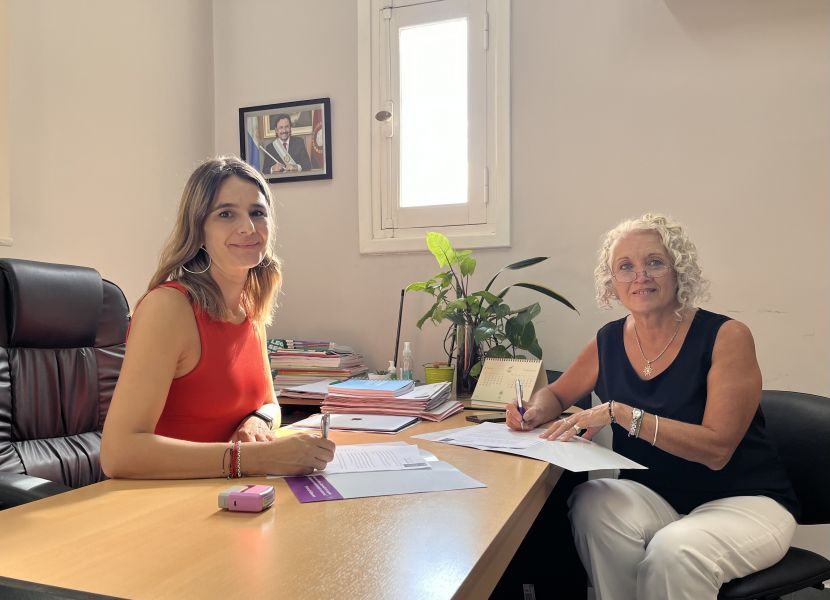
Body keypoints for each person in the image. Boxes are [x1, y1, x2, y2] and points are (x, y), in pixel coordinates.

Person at [505, 213, 799, 599]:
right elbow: (558, 394)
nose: (640, 276)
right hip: (658, 499)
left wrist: (623, 414)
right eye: (626, 267)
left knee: (674, 552)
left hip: (745, 502)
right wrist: (533, 411)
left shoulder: (726, 337)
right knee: (592, 502)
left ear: (679, 271)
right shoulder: (608, 340)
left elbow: (717, 450)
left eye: (655, 262)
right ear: (612, 282)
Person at [101, 156, 334, 478]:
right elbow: (119, 454)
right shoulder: (168, 308)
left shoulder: (249, 307)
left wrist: (258, 421)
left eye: (257, 212)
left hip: (227, 492)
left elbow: (270, 404)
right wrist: (254, 458)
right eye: (226, 214)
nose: (248, 227)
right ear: (198, 229)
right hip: (162, 497)